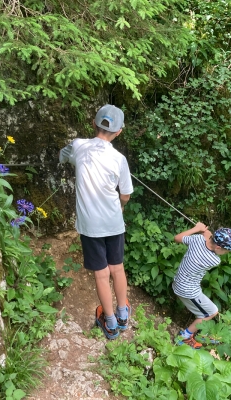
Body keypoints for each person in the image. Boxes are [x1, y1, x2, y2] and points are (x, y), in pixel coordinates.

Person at [59, 104, 133, 340]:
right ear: (119, 131)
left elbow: (64, 156)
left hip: (90, 226)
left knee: (101, 274)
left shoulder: (79, 146)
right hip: (113, 221)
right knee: (117, 268)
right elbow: (125, 195)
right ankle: (123, 314)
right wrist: (119, 207)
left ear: (94, 123)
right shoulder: (119, 159)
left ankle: (110, 323)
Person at [172, 222, 231, 349]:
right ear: (218, 248)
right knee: (210, 313)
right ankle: (184, 337)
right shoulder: (214, 260)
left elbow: (177, 238)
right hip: (187, 290)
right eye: (227, 250)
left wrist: (197, 228)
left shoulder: (197, 239)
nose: (228, 252)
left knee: (205, 311)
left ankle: (200, 332)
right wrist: (204, 231)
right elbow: (208, 235)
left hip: (179, 282)